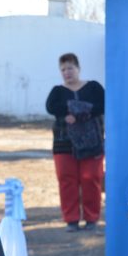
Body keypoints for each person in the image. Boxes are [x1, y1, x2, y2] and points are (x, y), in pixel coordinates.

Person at [46, 53, 105, 232]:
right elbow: (52, 108)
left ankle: (91, 219)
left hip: (92, 143)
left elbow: (101, 105)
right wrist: (76, 110)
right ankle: (71, 219)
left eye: (70, 68)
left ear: (78, 68)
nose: (67, 72)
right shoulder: (57, 91)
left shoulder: (94, 87)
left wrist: (76, 112)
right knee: (67, 180)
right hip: (64, 144)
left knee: (91, 179)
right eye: (63, 69)